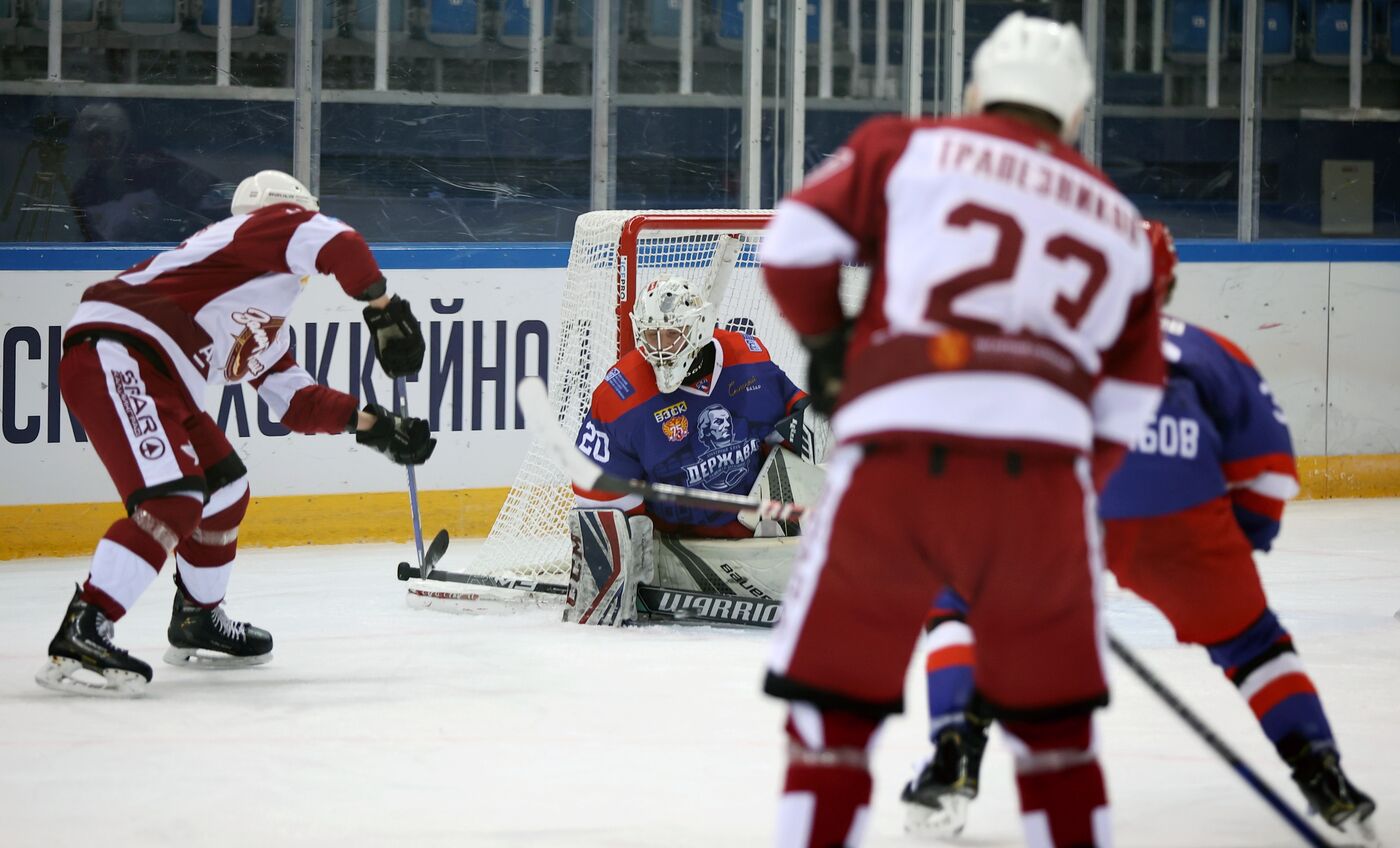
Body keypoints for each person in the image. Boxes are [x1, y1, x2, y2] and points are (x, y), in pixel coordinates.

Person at [758, 12, 1165, 847]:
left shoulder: (905, 145)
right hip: (1042, 483)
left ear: (975, 90)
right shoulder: (1121, 223)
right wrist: (1060, 492)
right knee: (1060, 746)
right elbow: (1130, 397)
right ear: (1077, 113)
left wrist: (834, 350)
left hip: (896, 461)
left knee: (828, 726)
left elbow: (793, 245)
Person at [904, 220, 1378, 842]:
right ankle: (1323, 771)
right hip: (1177, 513)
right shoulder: (1210, 353)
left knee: (960, 602)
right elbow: (1268, 470)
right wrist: (1238, 543)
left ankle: (954, 745)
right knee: (1254, 643)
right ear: (1168, 284)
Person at [36, 170, 436, 698]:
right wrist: (384, 310)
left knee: (223, 489)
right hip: (122, 351)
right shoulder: (267, 228)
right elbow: (340, 242)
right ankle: (85, 626)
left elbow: (295, 400)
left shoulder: (255, 294)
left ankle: (197, 619)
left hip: (160, 374)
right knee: (173, 500)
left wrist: (375, 425)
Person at [564, 274, 815, 624]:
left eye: (671, 333)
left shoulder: (747, 359)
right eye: (651, 335)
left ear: (697, 329)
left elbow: (801, 421)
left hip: (759, 534)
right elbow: (598, 502)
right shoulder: (619, 399)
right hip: (677, 554)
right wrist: (619, 580)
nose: (660, 348)